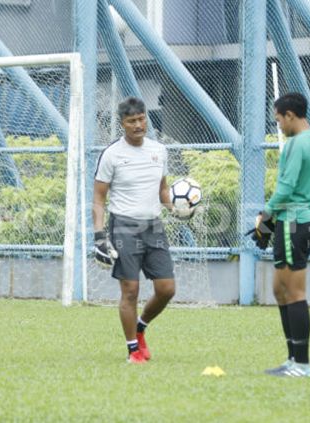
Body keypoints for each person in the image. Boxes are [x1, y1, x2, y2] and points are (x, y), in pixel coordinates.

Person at [92, 97, 189, 364]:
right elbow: (99, 198)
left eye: (142, 119)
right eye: (132, 121)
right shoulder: (112, 155)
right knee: (130, 290)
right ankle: (133, 350)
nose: (138, 125)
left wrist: (176, 208)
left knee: (167, 289)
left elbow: (162, 190)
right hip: (123, 227)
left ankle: (141, 326)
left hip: (154, 227)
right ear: (122, 124)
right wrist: (99, 235)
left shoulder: (159, 150)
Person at [251, 92, 310, 378]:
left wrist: (265, 217)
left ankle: (302, 364)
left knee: (293, 293)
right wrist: (272, 223)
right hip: (295, 221)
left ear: (290, 116)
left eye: (279, 119)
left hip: (295, 222)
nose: (278, 125)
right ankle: (292, 359)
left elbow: (286, 188)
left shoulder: (296, 143)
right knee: (279, 291)